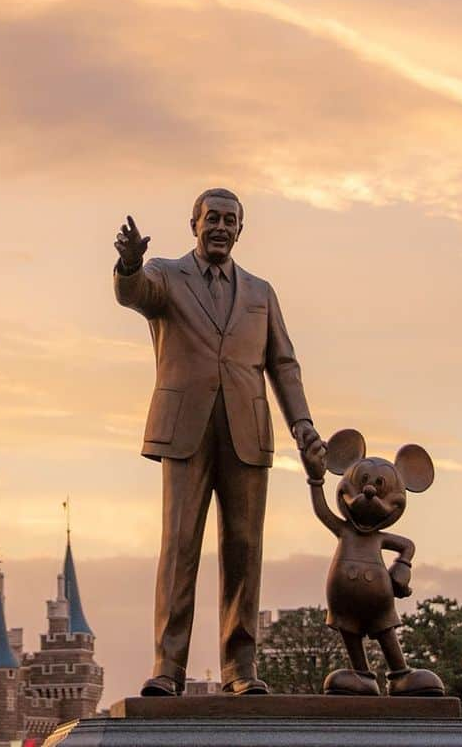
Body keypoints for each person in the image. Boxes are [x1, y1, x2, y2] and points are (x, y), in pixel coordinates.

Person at [114, 188, 322, 696]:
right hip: (186, 430)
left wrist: (302, 423)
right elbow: (134, 292)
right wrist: (129, 264)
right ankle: (168, 668)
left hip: (247, 432)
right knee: (180, 546)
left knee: (244, 550)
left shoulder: (260, 291)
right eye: (212, 219)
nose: (221, 227)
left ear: (241, 230)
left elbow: (283, 364)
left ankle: (240, 669)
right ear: (194, 224)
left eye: (230, 220)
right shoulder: (165, 275)